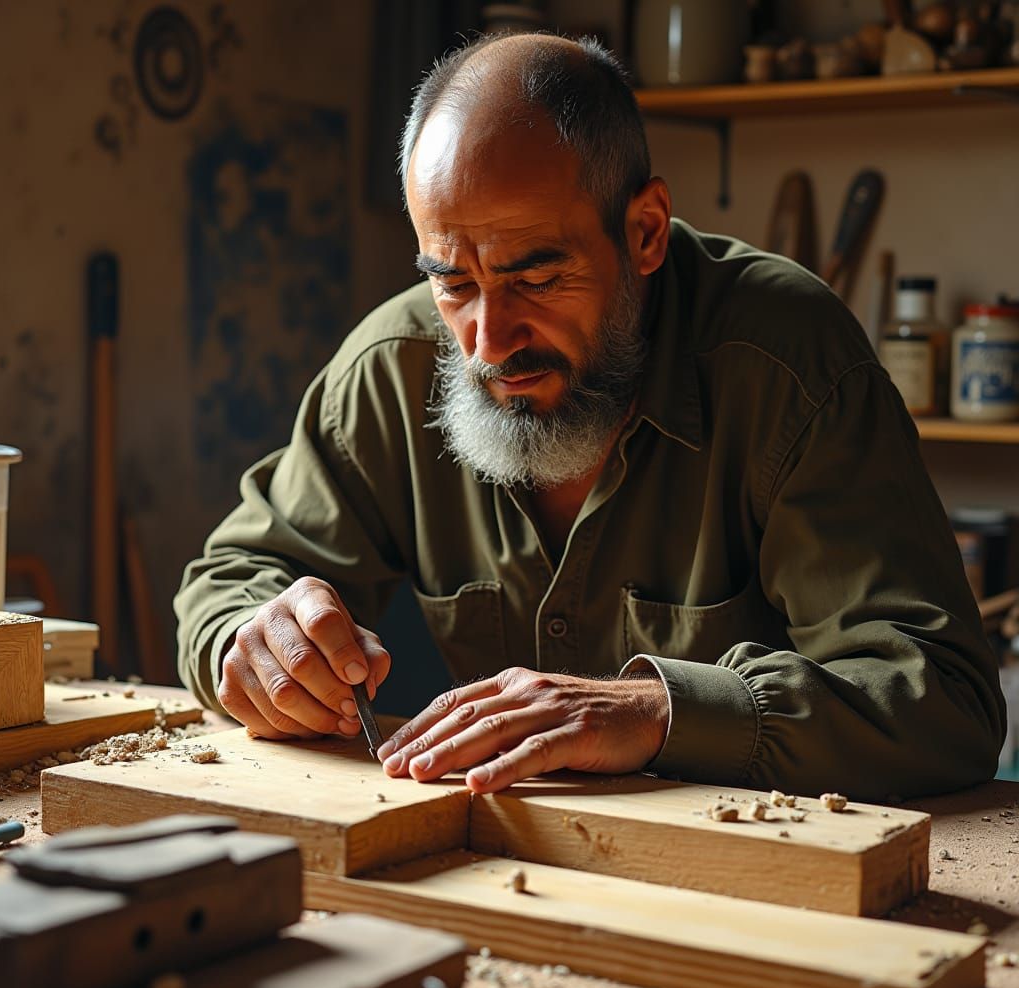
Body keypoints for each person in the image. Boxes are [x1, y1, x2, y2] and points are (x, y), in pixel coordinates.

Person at [174, 32, 1004, 802]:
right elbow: (229, 582)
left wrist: (658, 711)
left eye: (535, 277)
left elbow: (945, 701)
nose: (488, 343)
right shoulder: (392, 365)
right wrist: (251, 640)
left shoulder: (788, 363)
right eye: (453, 282)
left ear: (644, 231)